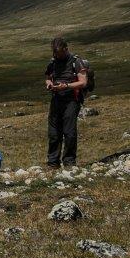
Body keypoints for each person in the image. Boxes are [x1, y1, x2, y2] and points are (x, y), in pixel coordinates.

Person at [44, 37, 88, 167]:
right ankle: (53, 163)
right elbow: (47, 77)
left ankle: (69, 162)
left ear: (65, 49)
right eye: (55, 53)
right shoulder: (53, 62)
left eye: (59, 53)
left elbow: (83, 82)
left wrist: (67, 86)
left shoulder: (76, 61)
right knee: (53, 132)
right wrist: (49, 84)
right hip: (56, 98)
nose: (57, 56)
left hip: (71, 100)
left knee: (69, 132)